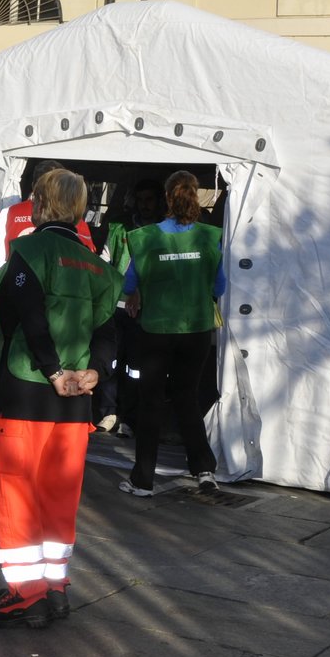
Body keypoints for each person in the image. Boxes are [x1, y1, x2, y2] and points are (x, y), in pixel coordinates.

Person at [0, 169, 120, 629]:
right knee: (59, 495)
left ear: (39, 202)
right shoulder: (95, 262)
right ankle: (55, 587)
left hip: (26, 393)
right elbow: (108, 330)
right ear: (78, 208)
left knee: (16, 494)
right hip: (76, 402)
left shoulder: (28, 251)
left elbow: (28, 319)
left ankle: (24, 594)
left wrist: (53, 371)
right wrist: (92, 371)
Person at [120, 170, 226, 497]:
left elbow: (128, 285)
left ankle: (143, 479)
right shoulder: (209, 237)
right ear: (194, 198)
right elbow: (219, 286)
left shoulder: (146, 237)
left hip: (157, 329)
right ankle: (204, 469)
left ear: (167, 198)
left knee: (151, 402)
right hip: (196, 330)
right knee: (187, 398)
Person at [93, 177, 162, 433]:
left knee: (136, 368)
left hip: (147, 312)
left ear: (159, 202)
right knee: (110, 362)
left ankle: (129, 416)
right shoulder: (118, 229)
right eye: (140, 200)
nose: (144, 205)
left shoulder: (163, 231)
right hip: (115, 307)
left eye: (149, 200)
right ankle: (108, 413)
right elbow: (104, 263)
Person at [0, 159, 93, 281]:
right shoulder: (77, 222)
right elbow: (90, 264)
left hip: (6, 288)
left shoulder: (4, 216)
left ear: (33, 186)